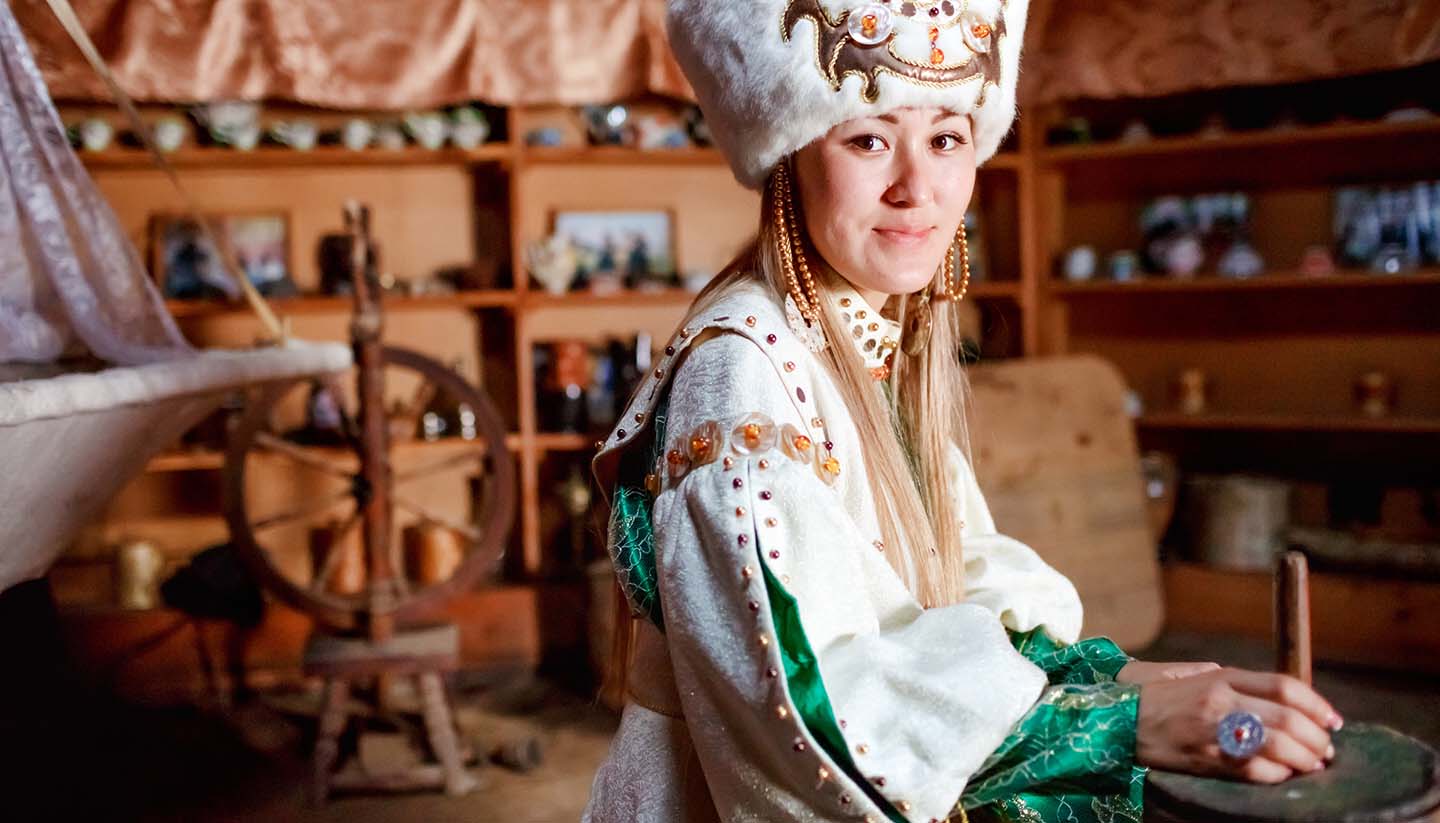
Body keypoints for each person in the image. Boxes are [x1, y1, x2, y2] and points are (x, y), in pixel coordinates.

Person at [584, 1, 1342, 821]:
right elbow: (808, 704)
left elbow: (962, 573)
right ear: (790, 159)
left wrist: (1119, 678)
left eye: (947, 138)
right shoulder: (741, 374)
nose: (917, 189)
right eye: (869, 138)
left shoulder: (865, 335)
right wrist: (1121, 725)